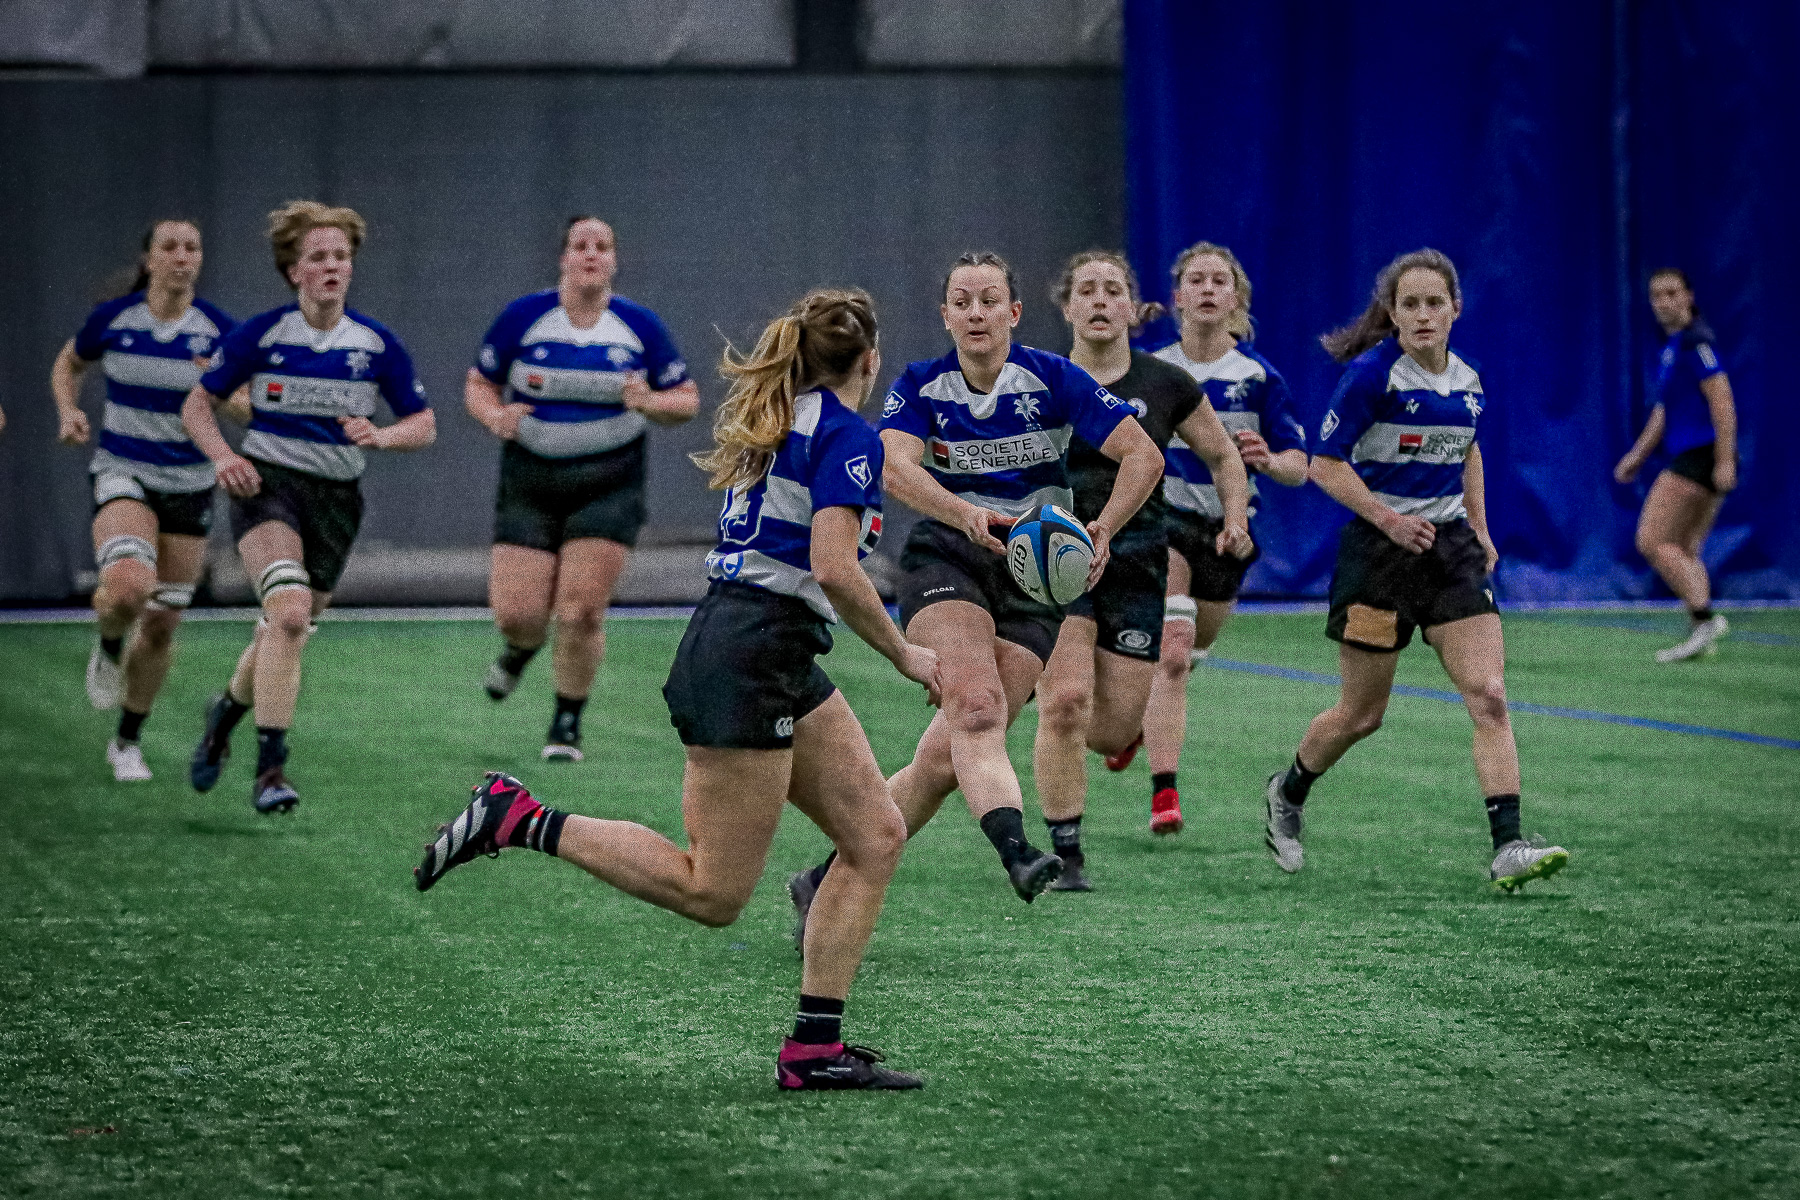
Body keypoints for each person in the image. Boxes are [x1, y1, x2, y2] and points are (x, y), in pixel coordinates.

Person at [416, 289, 938, 1090]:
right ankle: (520, 818)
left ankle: (813, 1051)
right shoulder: (845, 435)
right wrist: (906, 653)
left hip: (766, 647)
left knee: (875, 835)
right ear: (870, 362)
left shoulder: (780, 419)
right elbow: (836, 567)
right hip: (749, 655)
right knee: (712, 891)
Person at [788, 251, 1164, 932]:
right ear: (945, 316)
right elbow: (893, 466)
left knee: (941, 758)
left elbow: (1145, 454)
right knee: (979, 706)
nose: (976, 313)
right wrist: (963, 513)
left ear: (1014, 313)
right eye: (962, 301)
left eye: (989, 300)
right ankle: (1016, 849)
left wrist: (1103, 528)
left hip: (1035, 573)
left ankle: (820, 879)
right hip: (949, 558)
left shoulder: (1054, 378)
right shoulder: (922, 385)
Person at [1262, 248, 1568, 892]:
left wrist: (1480, 530)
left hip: (1450, 551)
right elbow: (1324, 463)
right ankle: (1287, 793)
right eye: (1410, 304)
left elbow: (1470, 450)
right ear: (1393, 313)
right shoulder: (1375, 377)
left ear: (1456, 309)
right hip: (1379, 557)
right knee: (1361, 714)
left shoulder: (1469, 381)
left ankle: (1508, 845)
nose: (1424, 314)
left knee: (1488, 695)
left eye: (1435, 302)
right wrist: (1388, 520)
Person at [182, 201, 435, 814]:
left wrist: (381, 436)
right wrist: (222, 457)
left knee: (284, 630)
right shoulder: (264, 335)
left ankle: (224, 716)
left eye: (341, 257)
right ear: (293, 271)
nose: (331, 267)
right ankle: (271, 771)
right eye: (318, 256)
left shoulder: (375, 344)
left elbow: (423, 423)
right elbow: (197, 404)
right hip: (267, 488)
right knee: (289, 615)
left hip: (337, 500)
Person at [1027, 250, 1251, 887]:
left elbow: (1225, 458)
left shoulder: (1168, 385)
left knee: (1112, 729)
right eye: (1087, 291)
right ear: (1067, 307)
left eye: (1113, 290)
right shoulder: (1035, 383)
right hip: (1057, 563)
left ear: (1131, 307)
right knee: (1065, 702)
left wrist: (1235, 519)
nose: (1100, 301)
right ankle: (1066, 854)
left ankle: (1118, 738)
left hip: (1138, 561)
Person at [467, 217, 700, 759]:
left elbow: (685, 399)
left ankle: (565, 723)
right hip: (530, 479)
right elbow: (480, 383)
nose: (591, 255)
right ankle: (519, 649)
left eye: (603, 247)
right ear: (564, 257)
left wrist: (650, 402)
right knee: (519, 615)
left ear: (614, 259)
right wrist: (494, 416)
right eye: (581, 246)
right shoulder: (525, 319)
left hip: (609, 482)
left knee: (580, 611)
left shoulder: (638, 327)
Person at [48, 219, 240, 781]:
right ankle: (109, 643)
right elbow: (69, 363)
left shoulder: (218, 333)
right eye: (170, 247)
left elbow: (242, 405)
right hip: (123, 470)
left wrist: (234, 401)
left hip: (190, 483)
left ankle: (127, 740)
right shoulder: (115, 321)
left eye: (192, 248)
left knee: (160, 624)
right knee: (129, 587)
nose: (182, 257)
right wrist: (68, 409)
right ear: (150, 259)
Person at [1140, 242, 1308, 834]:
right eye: (1196, 280)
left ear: (1235, 298)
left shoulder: (1258, 378)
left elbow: (1300, 465)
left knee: (1186, 655)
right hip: (1163, 523)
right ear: (1178, 296)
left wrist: (1268, 459)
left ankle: (1140, 724)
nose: (1209, 289)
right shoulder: (1154, 369)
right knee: (1175, 650)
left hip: (1229, 531)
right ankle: (1165, 792)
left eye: (1220, 281)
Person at [1613, 268, 1738, 662]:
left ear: (1689, 295)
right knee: (1685, 547)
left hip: (1700, 454)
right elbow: (1665, 412)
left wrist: (1723, 459)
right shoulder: (1672, 347)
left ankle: (1704, 619)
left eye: (1671, 293)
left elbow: (1722, 400)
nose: (1664, 301)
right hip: (1692, 452)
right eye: (1656, 295)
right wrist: (1636, 456)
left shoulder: (1697, 344)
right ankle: (1700, 628)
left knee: (1652, 540)